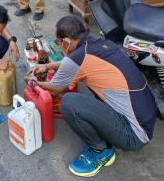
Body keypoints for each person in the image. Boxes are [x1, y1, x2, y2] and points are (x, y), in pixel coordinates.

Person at [26, 15, 156, 177]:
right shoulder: (102, 44)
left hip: (134, 135)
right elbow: (74, 63)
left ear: (66, 41)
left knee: (69, 102)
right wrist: (47, 65)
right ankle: (107, 137)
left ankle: (100, 151)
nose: (59, 46)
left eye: (59, 42)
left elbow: (54, 89)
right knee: (90, 88)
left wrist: (33, 82)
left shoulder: (77, 58)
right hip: (145, 120)